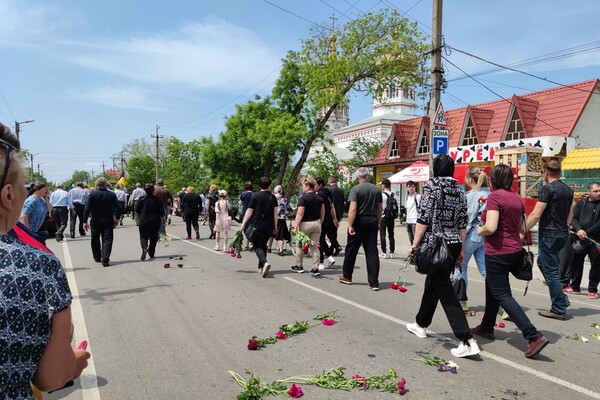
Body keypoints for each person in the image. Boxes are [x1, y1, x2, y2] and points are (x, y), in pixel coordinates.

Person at [0, 123, 90, 397]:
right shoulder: (38, 265)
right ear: (8, 194)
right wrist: (74, 363)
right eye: (21, 186)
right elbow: (52, 377)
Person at [405, 154, 480, 358]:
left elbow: (424, 218)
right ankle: (421, 323)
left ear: (435, 169)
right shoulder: (460, 190)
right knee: (434, 284)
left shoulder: (432, 187)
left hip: (436, 245)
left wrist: (414, 243)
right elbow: (462, 223)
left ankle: (467, 339)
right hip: (454, 244)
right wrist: (462, 249)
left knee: (445, 290)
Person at [473, 164, 549, 358]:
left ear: (494, 180)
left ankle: (533, 335)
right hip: (514, 250)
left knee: (502, 294)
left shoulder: (495, 197)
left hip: (497, 251)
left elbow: (490, 227)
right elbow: (524, 228)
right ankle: (487, 326)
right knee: (493, 287)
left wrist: (480, 230)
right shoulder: (516, 197)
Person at [526, 159, 574, 320]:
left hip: (549, 234)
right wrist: (565, 229)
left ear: (546, 172)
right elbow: (570, 214)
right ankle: (561, 297)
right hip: (562, 233)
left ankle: (559, 307)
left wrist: (522, 230)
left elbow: (536, 214)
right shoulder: (567, 190)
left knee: (551, 270)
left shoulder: (547, 189)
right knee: (542, 263)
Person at [338, 167, 382, 291]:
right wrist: (378, 222)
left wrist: (350, 225)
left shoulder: (355, 189)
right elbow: (380, 209)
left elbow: (352, 208)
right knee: (372, 251)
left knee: (351, 249)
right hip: (372, 220)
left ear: (358, 177)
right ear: (368, 176)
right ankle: (373, 282)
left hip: (359, 221)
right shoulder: (376, 190)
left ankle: (347, 276)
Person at [454, 166, 490, 311]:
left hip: (471, 235)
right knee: (486, 270)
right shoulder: (490, 194)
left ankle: (461, 301)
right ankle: (503, 300)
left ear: (470, 179)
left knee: (461, 266)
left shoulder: (469, 196)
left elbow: (466, 221)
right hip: (485, 235)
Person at [565, 182, 600, 299]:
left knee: (596, 265)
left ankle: (593, 289)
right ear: (589, 191)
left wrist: (587, 232)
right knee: (576, 262)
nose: (598, 193)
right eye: (595, 191)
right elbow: (573, 218)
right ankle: (575, 286)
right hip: (579, 238)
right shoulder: (582, 203)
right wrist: (579, 230)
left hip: (595, 239)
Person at [240, 176, 278, 278]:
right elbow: (275, 214)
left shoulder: (255, 196)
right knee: (263, 245)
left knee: (257, 245)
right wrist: (275, 226)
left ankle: (264, 263)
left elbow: (249, 211)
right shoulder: (273, 197)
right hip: (269, 225)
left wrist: (243, 223)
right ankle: (261, 267)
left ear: (259, 185)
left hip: (257, 224)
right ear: (269, 185)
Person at [83, 177, 121, 267]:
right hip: (108, 219)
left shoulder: (92, 195)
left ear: (97, 185)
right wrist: (117, 218)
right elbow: (119, 207)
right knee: (107, 239)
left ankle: (97, 257)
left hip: (95, 220)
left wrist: (84, 221)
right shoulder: (111, 195)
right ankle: (105, 260)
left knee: (95, 239)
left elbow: (87, 208)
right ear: (105, 184)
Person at [291, 177, 325, 276]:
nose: (302, 188)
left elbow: (300, 213)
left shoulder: (303, 198)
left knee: (299, 245)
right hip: (316, 223)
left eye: (303, 186)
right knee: (314, 246)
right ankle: (315, 268)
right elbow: (322, 213)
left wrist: (295, 225)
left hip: (305, 224)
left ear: (307, 186)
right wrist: (320, 223)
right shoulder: (320, 198)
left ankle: (299, 266)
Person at [136, 183, 164, 260]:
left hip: (143, 220)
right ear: (153, 190)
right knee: (153, 237)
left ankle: (144, 248)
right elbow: (161, 212)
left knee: (143, 236)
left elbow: (137, 209)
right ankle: (151, 252)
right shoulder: (157, 199)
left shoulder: (141, 199)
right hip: (155, 220)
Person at [315, 177, 337, 269]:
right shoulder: (328, 193)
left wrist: (320, 220)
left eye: (315, 184)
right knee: (322, 239)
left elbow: (321, 209)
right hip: (329, 218)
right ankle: (330, 257)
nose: (314, 186)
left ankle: (321, 262)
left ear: (320, 185)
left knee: (319, 240)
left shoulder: (320, 194)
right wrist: (334, 218)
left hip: (323, 219)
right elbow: (332, 207)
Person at [268, 185, 291, 256]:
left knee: (271, 234)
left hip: (273, 217)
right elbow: (289, 208)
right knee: (281, 235)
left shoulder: (272, 198)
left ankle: (269, 248)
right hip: (282, 218)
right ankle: (281, 250)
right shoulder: (284, 199)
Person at [379, 178, 396, 259]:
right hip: (391, 217)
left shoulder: (382, 195)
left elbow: (380, 207)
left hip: (383, 217)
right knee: (391, 235)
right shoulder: (393, 194)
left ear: (383, 185)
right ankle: (392, 252)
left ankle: (384, 252)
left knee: (383, 235)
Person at [328, 176, 344, 256]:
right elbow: (342, 203)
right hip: (338, 214)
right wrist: (341, 214)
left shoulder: (329, 190)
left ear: (329, 182)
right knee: (334, 231)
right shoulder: (341, 190)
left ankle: (336, 246)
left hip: (331, 214)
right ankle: (332, 248)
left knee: (329, 231)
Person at [405, 180, 421, 246]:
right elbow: (407, 209)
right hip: (408, 221)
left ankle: (417, 254)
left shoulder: (418, 196)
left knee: (416, 240)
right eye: (409, 187)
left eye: (412, 186)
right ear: (407, 188)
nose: (411, 188)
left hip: (415, 221)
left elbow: (421, 208)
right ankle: (413, 253)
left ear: (415, 187)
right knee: (411, 238)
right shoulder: (406, 198)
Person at [239, 181, 253, 249]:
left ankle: (248, 244)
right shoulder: (254, 194)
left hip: (245, 212)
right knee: (251, 228)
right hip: (253, 213)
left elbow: (240, 203)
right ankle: (250, 244)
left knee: (245, 228)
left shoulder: (244, 194)